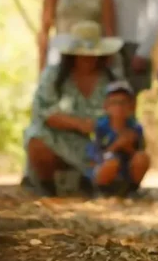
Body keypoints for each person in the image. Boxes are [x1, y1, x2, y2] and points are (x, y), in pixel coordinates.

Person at [23, 21, 122, 197]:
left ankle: (100, 185)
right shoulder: (53, 76)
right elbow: (43, 112)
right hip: (58, 139)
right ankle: (47, 187)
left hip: (98, 145)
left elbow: (122, 113)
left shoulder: (111, 80)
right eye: (82, 54)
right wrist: (79, 124)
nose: (88, 59)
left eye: (92, 54)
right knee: (36, 139)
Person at [86, 81, 150, 197]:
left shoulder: (135, 128)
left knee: (142, 158)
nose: (119, 107)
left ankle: (132, 190)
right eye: (114, 103)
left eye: (123, 103)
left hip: (126, 173)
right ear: (106, 106)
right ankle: (101, 191)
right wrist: (116, 146)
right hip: (104, 171)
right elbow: (93, 158)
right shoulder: (99, 128)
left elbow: (138, 154)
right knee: (111, 162)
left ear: (131, 106)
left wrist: (128, 147)